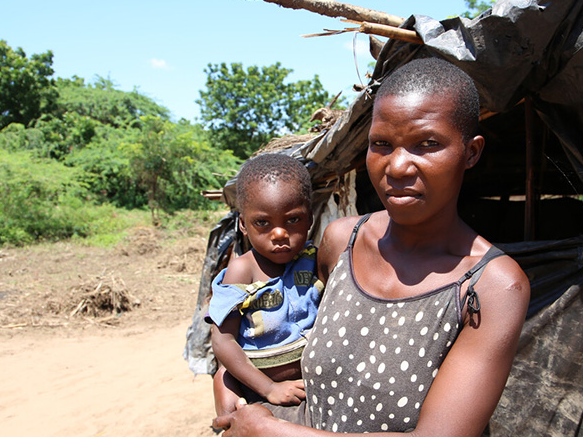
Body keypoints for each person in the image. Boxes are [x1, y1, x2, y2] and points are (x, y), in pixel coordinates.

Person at [213, 57, 530, 437]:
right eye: (381, 143)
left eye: (426, 144)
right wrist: (227, 377)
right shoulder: (341, 242)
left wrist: (270, 433)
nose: (396, 166)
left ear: (471, 152)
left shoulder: (492, 286)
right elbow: (272, 327)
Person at [205, 153, 323, 417]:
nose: (279, 233)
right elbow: (223, 340)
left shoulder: (314, 260)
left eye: (292, 220)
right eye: (262, 223)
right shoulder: (242, 270)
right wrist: (269, 388)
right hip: (256, 387)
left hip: (308, 385)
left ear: (310, 219)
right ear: (244, 225)